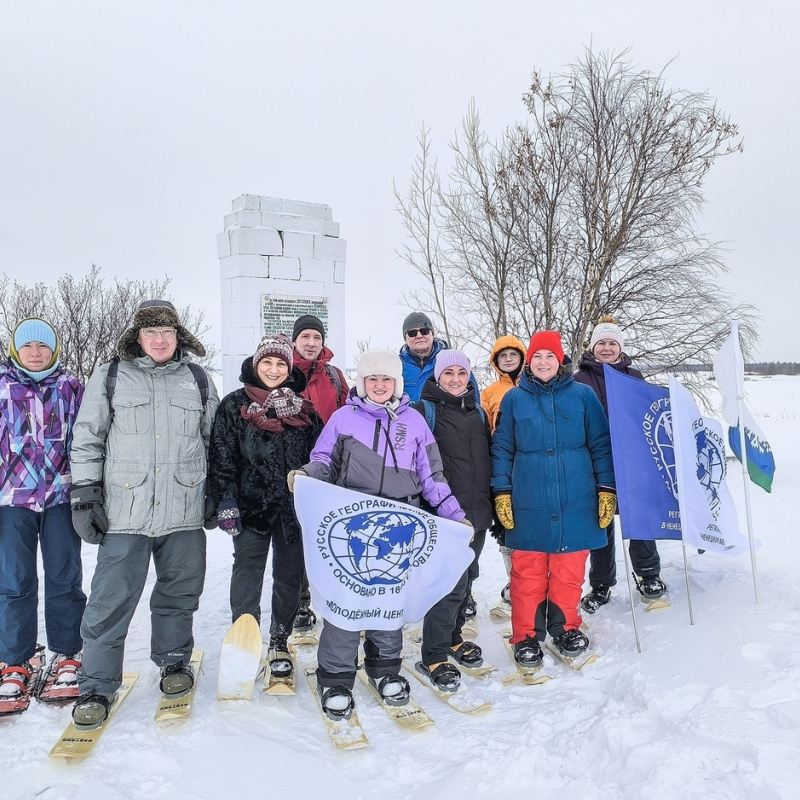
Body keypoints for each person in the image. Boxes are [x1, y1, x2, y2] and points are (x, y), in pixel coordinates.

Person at [288, 350, 468, 720]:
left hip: (399, 524)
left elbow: (432, 476)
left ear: (397, 383)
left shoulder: (415, 422)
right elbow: (324, 460)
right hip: (356, 518)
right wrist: (307, 474)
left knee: (388, 601)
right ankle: (336, 677)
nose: (380, 385)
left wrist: (455, 516)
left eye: (386, 379)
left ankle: (385, 670)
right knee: (348, 601)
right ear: (362, 382)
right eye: (373, 379)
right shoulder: (343, 418)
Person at [69, 300, 219, 729]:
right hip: (124, 512)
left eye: (166, 333)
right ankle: (96, 685)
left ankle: (174, 663)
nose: (159, 340)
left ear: (178, 337)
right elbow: (88, 436)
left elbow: (215, 442)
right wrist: (84, 494)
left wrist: (217, 492)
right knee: (110, 600)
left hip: (185, 509)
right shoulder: (112, 375)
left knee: (179, 593)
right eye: (150, 333)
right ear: (138, 337)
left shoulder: (197, 378)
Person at [491, 331, 615, 665]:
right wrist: (501, 491)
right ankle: (526, 636)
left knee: (568, 569)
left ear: (560, 360)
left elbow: (601, 445)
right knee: (527, 572)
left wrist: (607, 488)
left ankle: (565, 628)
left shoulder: (584, 396)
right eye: (537, 356)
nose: (543, 362)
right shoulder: (514, 400)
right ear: (528, 362)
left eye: (550, 356)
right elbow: (502, 448)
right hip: (528, 498)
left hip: (576, 498)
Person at [208, 333, 322, 678]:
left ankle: (279, 640)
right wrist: (225, 500)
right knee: (247, 570)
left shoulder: (304, 410)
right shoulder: (234, 405)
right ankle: (245, 637)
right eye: (267, 362)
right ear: (256, 364)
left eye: (280, 363)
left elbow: (319, 459)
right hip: (249, 506)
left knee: (288, 575)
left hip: (292, 510)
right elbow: (222, 456)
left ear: (289, 368)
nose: (273, 369)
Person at [0, 318, 85, 705]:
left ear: (54, 351)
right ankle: (15, 661)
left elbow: (86, 439)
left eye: (44, 347)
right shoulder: (2, 386)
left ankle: (68, 654)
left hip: (60, 498)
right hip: (11, 501)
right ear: (17, 350)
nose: (36, 354)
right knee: (14, 582)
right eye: (29, 347)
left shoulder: (71, 388)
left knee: (64, 577)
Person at [573, 316, 667, 612]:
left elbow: (648, 416)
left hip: (631, 461)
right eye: (601, 343)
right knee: (600, 523)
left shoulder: (634, 377)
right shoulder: (578, 380)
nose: (607, 348)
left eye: (613, 343)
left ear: (620, 348)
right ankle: (601, 584)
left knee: (638, 520)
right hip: (593, 462)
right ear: (593, 347)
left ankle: (648, 574)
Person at [413, 350, 492, 691]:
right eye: (449, 374)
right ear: (437, 377)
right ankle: (433, 654)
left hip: (477, 513)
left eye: (462, 373)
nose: (456, 379)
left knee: (468, 578)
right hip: (443, 516)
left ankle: (454, 638)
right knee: (448, 584)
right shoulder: (424, 411)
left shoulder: (478, 412)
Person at [290, 314, 348, 631]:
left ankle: (331, 596)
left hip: (329, 466)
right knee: (297, 536)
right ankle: (300, 603)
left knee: (328, 533)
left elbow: (351, 413)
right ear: (295, 340)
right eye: (306, 337)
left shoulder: (335, 376)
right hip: (294, 465)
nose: (311, 343)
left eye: (317, 337)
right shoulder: (281, 371)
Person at [480, 335, 527, 611]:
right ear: (496, 362)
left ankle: (533, 587)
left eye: (513, 354)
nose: (508, 359)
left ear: (522, 357)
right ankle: (513, 586)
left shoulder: (534, 385)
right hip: (503, 464)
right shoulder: (489, 392)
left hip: (530, 463)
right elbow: (485, 428)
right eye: (502, 356)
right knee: (506, 527)